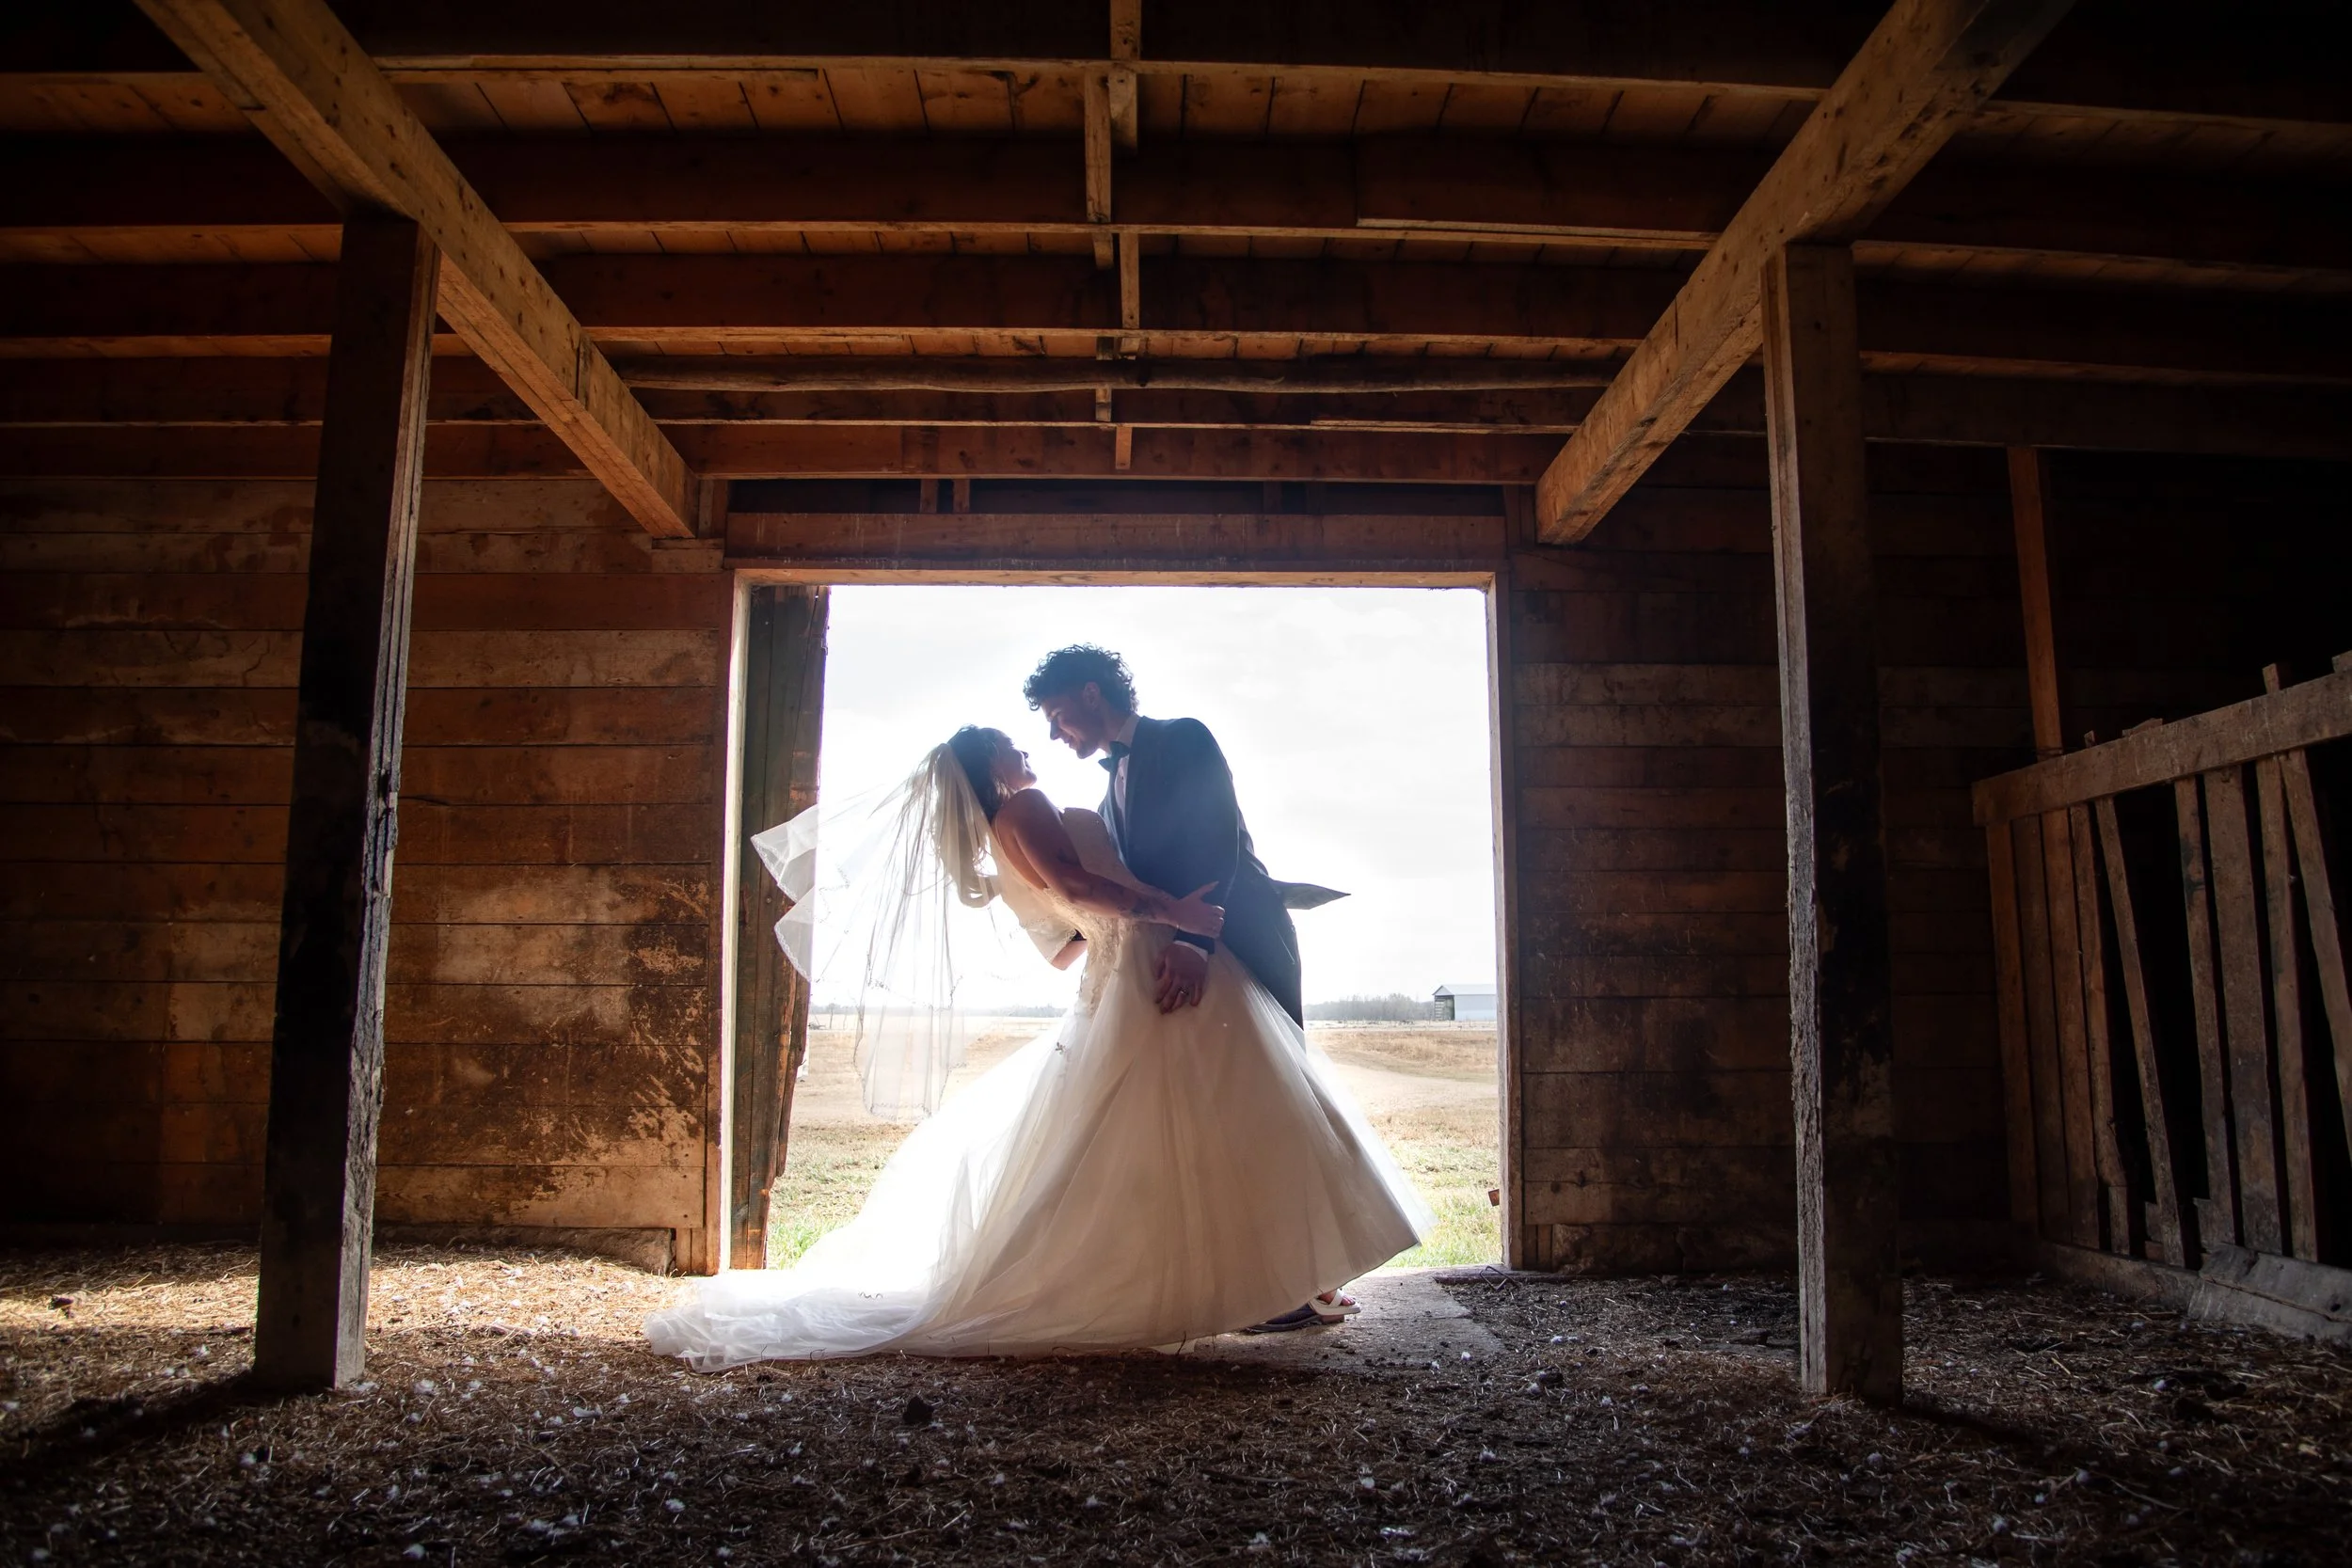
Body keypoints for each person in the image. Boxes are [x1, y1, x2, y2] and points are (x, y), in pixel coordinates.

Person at [644, 717, 1426, 1368]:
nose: (1031, 744)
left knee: (1189, 1130)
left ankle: (1270, 1282)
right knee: (1228, 1117)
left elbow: (1062, 943)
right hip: (1155, 964)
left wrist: (1122, 922)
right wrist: (1168, 912)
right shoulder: (1027, 809)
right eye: (1014, 740)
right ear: (989, 763)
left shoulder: (1002, 838)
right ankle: (1263, 1282)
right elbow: (1085, 891)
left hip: (1123, 974)